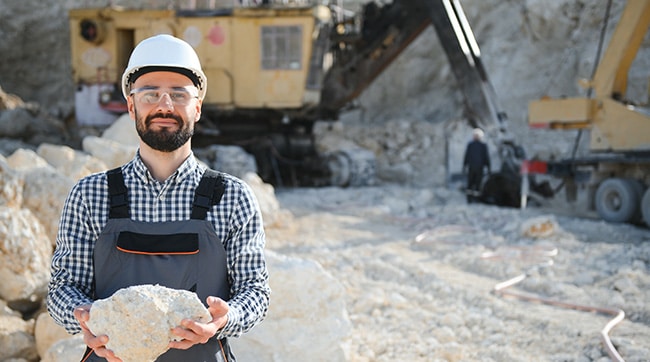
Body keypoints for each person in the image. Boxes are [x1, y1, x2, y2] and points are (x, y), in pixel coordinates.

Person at [47, 34, 270, 362]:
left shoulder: (234, 198)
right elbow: (62, 288)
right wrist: (83, 315)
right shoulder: (90, 196)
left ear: (198, 106)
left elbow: (255, 292)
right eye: (151, 93)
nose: (164, 105)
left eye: (179, 94)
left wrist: (226, 317)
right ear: (131, 105)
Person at [463, 128, 491, 203]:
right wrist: (464, 165)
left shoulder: (482, 146)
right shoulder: (471, 145)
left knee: (477, 183)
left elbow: (486, 157)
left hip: (479, 168)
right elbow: (467, 156)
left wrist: (488, 167)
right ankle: (470, 199)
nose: (475, 136)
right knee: (471, 183)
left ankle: (476, 199)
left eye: (477, 135)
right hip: (472, 167)